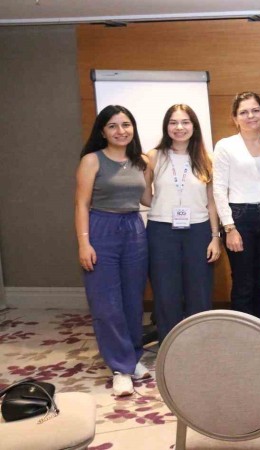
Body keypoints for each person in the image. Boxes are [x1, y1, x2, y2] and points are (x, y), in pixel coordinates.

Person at [75, 105, 150, 396]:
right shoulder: (92, 160)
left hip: (134, 230)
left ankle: (132, 358)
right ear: (103, 131)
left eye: (126, 124)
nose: (121, 131)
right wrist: (84, 243)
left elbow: (147, 199)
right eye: (113, 126)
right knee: (106, 304)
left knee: (133, 300)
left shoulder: (142, 161)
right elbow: (81, 204)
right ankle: (120, 367)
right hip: (101, 229)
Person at [145, 104, 221, 344]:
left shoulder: (206, 158)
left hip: (198, 231)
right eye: (173, 122)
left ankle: (198, 344)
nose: (179, 127)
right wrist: (162, 206)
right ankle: (170, 344)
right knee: (165, 291)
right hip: (161, 231)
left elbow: (211, 201)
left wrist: (215, 237)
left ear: (194, 126)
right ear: (166, 127)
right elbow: (144, 195)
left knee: (199, 291)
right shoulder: (153, 156)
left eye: (185, 122)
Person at [213, 92, 260, 325]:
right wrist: (229, 228)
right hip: (239, 218)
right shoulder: (225, 146)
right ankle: (242, 335)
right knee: (243, 282)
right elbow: (219, 189)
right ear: (235, 118)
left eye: (255, 110)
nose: (250, 116)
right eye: (243, 112)